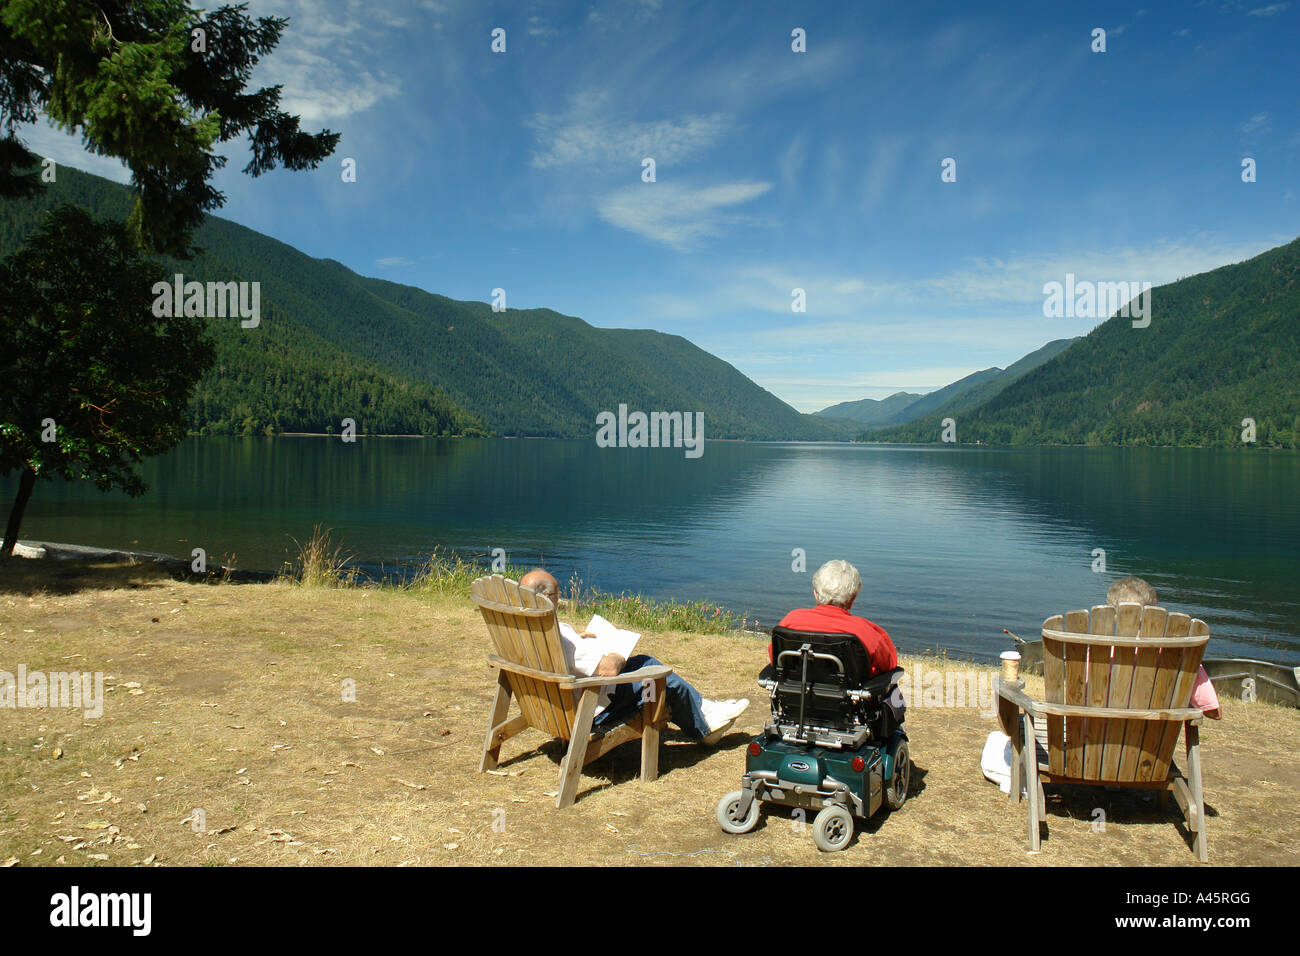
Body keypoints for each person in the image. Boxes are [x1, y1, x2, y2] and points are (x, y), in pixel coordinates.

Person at [517, 569, 749, 745]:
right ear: (546, 597)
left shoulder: (521, 629)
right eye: (557, 595)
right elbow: (608, 669)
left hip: (551, 706)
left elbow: (566, 656)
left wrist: (581, 642)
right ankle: (703, 727)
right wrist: (618, 651)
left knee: (643, 663)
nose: (559, 600)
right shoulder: (558, 635)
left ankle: (705, 708)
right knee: (654, 673)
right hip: (587, 710)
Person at [1106, 576, 1220, 719]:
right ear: (1155, 607)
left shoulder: (1100, 651)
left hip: (1097, 736)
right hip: (1155, 738)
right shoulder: (1178, 652)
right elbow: (1211, 710)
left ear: (1113, 612)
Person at [775, 559, 898, 678]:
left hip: (796, 693)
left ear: (815, 594)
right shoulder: (864, 631)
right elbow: (889, 664)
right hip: (851, 695)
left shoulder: (791, 621)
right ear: (852, 600)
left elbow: (776, 658)